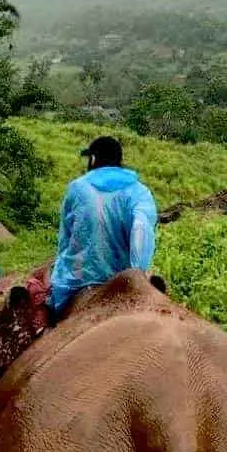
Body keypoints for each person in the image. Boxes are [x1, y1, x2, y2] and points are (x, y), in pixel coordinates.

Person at [48, 136, 157, 317]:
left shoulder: (77, 188)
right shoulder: (139, 191)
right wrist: (136, 272)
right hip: (123, 279)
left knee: (44, 309)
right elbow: (141, 229)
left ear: (93, 159)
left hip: (80, 280)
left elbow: (65, 239)